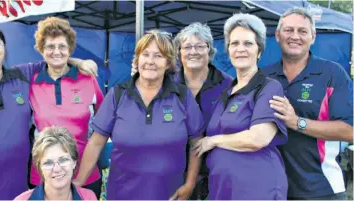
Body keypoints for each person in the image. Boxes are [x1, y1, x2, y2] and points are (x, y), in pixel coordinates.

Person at [0, 21, 96, 200]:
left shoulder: (21, 76)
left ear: (4, 49)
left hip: (19, 191)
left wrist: (80, 61)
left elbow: (53, 58)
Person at [76, 30, 205, 200]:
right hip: (122, 195)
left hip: (170, 195)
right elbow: (95, 144)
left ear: (168, 63)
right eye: (145, 55)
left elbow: (197, 143)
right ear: (137, 59)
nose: (150, 61)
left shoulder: (182, 96)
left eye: (158, 56)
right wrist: (78, 183)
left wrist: (190, 184)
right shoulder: (118, 95)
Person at [131, 23, 233, 199]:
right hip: (169, 171)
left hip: (216, 172)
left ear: (209, 50)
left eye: (200, 46)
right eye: (187, 47)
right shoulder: (164, 83)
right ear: (178, 53)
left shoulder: (228, 85)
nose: (193, 51)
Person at [193, 13, 288, 200]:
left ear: (259, 50)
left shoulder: (268, 87)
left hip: (257, 188)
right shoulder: (227, 90)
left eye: (248, 43)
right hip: (223, 189)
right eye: (234, 43)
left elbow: (258, 138)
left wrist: (213, 141)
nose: (240, 49)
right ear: (228, 50)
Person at [264, 7, 353, 200]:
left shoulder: (332, 74)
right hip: (273, 189)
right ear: (278, 35)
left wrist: (296, 122)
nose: (295, 36)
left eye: (302, 31)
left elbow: (349, 131)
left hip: (322, 189)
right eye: (288, 30)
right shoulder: (264, 77)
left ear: (313, 37)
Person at [28, 17, 103, 198]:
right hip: (44, 176)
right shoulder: (31, 82)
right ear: (41, 50)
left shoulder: (87, 79)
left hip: (86, 174)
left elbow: (104, 124)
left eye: (62, 46)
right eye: (50, 47)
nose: (56, 52)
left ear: (70, 48)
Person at [14, 126, 97, 200]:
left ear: (74, 162)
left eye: (63, 160)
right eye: (48, 163)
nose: (57, 169)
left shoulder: (88, 197)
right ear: (39, 167)